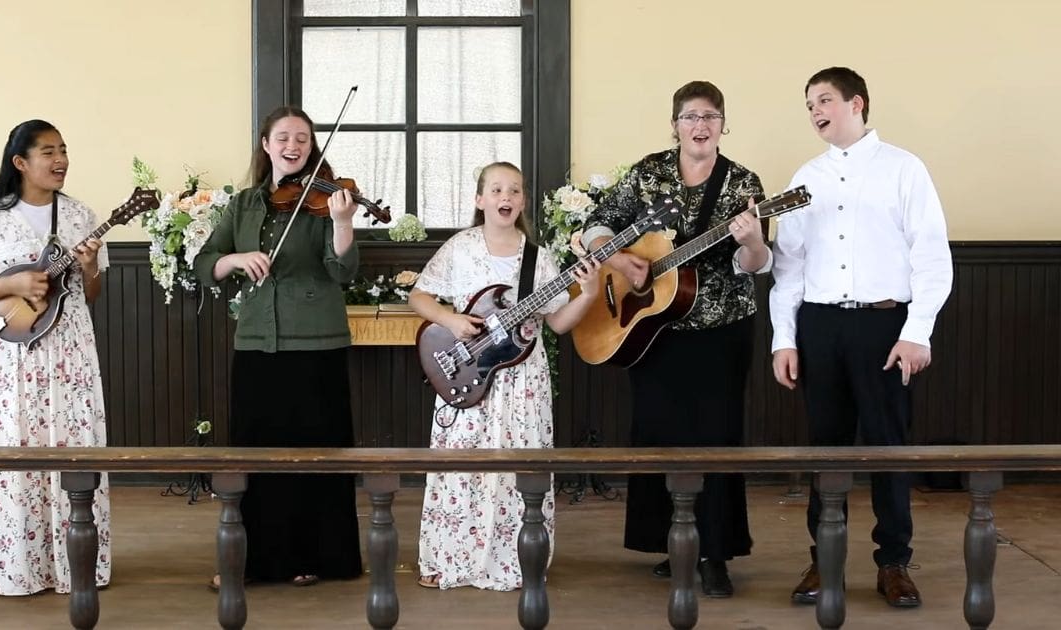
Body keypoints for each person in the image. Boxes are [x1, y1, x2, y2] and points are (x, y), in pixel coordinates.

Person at [770, 66, 953, 608]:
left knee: (889, 448)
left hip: (883, 325)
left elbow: (931, 256)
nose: (815, 112)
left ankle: (893, 562)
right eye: (808, 105)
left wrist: (917, 331)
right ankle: (823, 561)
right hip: (820, 326)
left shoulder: (904, 169)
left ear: (857, 103)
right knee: (824, 449)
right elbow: (789, 267)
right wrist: (785, 337)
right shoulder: (805, 177)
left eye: (824, 100)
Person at [580, 81, 770, 597]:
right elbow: (598, 226)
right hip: (652, 331)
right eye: (690, 117)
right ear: (675, 125)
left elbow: (753, 265)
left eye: (711, 117)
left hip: (719, 330)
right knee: (658, 434)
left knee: (717, 438)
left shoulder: (742, 183)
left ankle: (714, 553)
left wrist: (752, 241)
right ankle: (669, 543)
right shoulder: (648, 173)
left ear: (723, 125)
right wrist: (621, 260)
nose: (700, 126)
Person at [194, 106, 363, 589]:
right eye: (284, 138)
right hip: (256, 342)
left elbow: (343, 270)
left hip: (317, 344)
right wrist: (235, 258)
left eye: (304, 140)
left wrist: (344, 224)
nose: (294, 147)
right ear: (266, 144)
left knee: (318, 455)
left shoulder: (328, 201)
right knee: (258, 455)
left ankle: (320, 557)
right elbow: (206, 263)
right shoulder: (243, 204)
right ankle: (257, 561)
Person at [410, 161, 600, 591]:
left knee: (519, 467)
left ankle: (516, 561)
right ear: (480, 200)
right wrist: (451, 320)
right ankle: (449, 558)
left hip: (523, 382)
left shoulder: (539, 258)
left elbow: (558, 323)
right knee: (462, 465)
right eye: (496, 189)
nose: (506, 197)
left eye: (514, 190)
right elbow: (418, 295)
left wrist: (587, 293)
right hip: (467, 368)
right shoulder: (460, 247)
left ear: (522, 202)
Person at [0, 119, 111, 595]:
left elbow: (92, 293)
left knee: (71, 450)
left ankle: (74, 565)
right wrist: (14, 283)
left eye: (63, 150)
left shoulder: (81, 216)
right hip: (13, 358)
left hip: (71, 352)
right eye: (48, 152)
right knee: (15, 446)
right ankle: (13, 568)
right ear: (20, 162)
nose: (60, 159)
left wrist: (87, 268)